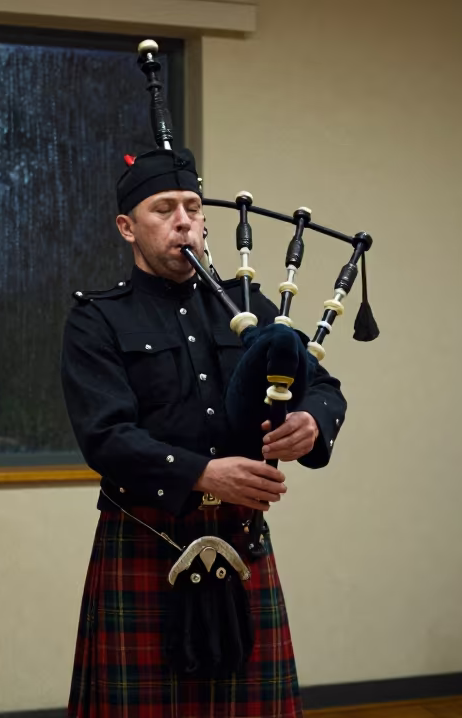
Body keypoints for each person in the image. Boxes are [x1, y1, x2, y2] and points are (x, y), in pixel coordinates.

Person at [60, 146, 346, 717]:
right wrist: (203, 473)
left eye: (192, 207)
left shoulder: (248, 307)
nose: (183, 221)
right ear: (127, 227)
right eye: (163, 209)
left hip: (241, 540)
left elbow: (324, 387)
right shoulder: (98, 318)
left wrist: (311, 422)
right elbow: (105, 437)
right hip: (146, 538)